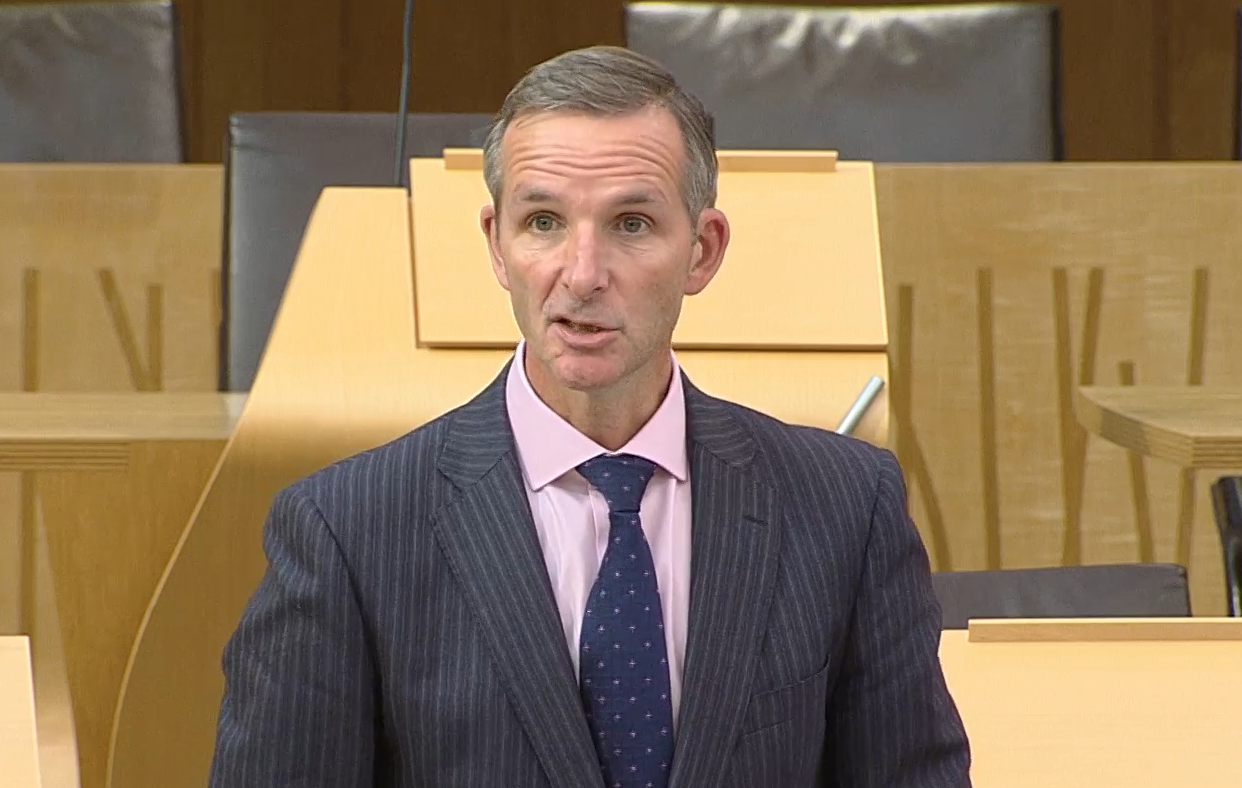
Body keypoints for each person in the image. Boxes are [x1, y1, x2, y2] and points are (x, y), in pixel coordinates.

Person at [208, 45, 971, 788]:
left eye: (630, 224)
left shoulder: (844, 506)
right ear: (497, 246)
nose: (581, 275)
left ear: (702, 251)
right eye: (542, 222)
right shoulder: (348, 531)